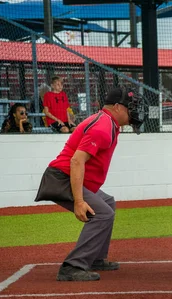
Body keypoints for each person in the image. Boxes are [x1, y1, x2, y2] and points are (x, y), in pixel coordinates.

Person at [38, 86, 144, 281]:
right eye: (131, 107)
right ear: (118, 107)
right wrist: (79, 201)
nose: (134, 111)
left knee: (108, 203)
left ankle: (95, 258)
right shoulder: (103, 126)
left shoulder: (108, 122)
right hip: (61, 179)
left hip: (66, 177)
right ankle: (73, 266)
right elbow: (76, 161)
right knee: (103, 213)